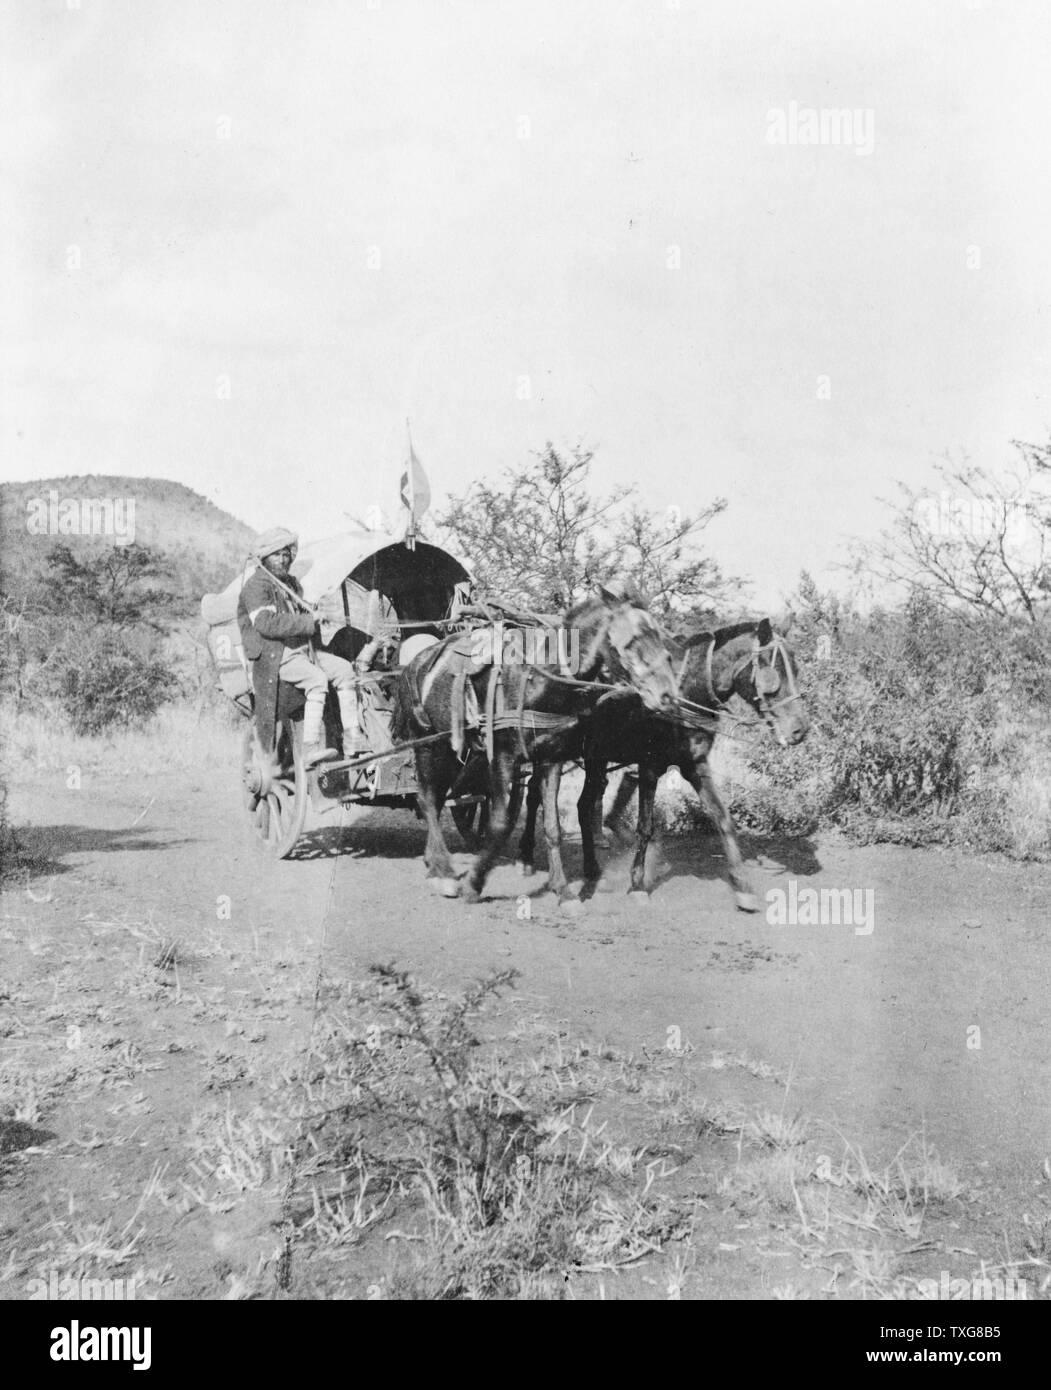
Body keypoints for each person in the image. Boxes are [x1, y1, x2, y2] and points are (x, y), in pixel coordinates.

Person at [237, 527, 366, 766]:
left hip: (304, 652)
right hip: (277, 656)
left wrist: (317, 613)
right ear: (265, 558)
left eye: (287, 554)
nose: (284, 559)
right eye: (277, 554)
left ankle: (352, 738)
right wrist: (308, 621)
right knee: (317, 680)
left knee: (345, 671)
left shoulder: (290, 584)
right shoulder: (256, 586)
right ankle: (308, 748)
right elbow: (265, 624)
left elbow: (300, 612)